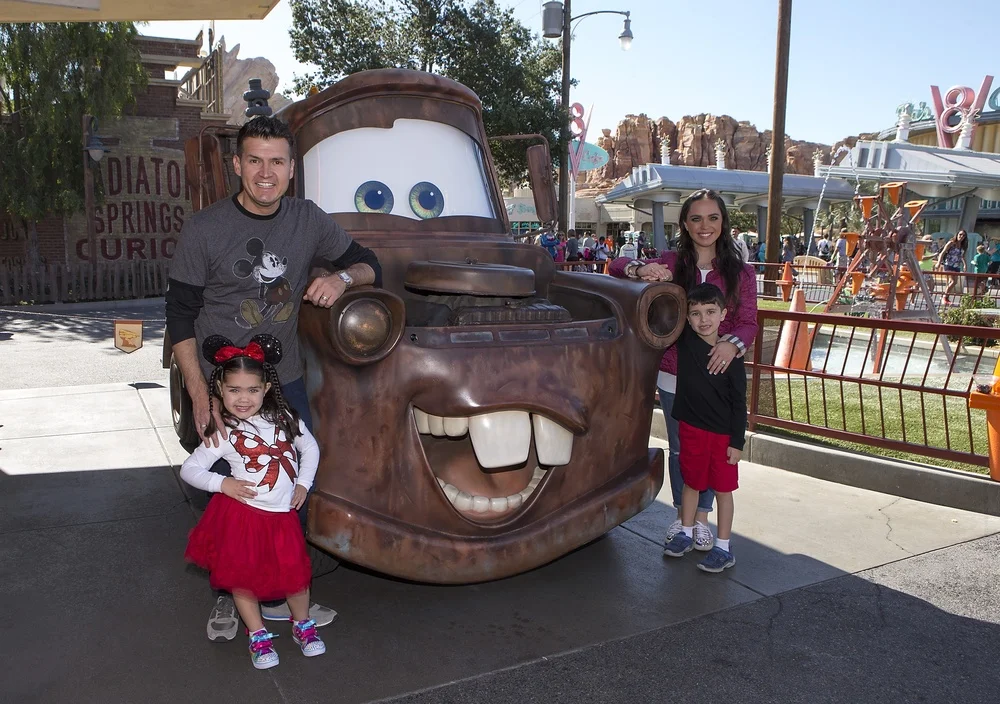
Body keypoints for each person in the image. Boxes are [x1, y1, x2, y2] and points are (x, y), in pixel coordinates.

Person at [165, 115, 381, 641]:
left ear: (291, 170)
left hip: (283, 384)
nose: (266, 172)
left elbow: (370, 263)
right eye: (255, 160)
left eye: (277, 161)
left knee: (288, 490)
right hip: (224, 385)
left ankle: (285, 594)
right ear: (238, 165)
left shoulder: (307, 220)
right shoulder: (205, 229)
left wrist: (340, 276)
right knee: (225, 495)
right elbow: (178, 317)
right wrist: (199, 394)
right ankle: (226, 593)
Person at [609, 188, 757, 550]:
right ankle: (684, 519)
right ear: (685, 224)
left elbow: (748, 322)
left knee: (714, 450)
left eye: (713, 217)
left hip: (718, 380)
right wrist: (640, 268)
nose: (705, 226)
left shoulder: (740, 273)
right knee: (682, 449)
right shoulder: (672, 264)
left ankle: (702, 520)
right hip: (674, 375)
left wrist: (730, 343)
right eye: (696, 218)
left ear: (723, 222)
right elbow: (615, 268)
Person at [181, 334, 326, 669]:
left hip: (282, 517)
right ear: (219, 391)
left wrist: (303, 482)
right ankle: (257, 634)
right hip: (243, 518)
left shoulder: (285, 419)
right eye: (234, 390)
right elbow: (191, 468)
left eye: (251, 390)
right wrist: (223, 483)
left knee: (295, 574)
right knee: (243, 579)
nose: (242, 398)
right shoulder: (226, 431)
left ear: (266, 389)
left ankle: (302, 624)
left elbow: (310, 448)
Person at [661, 284, 745, 572]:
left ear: (723, 314)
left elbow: (739, 403)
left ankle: (723, 547)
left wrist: (737, 442)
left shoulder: (732, 357)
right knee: (692, 484)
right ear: (687, 318)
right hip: (691, 430)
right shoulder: (686, 342)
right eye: (695, 313)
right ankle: (685, 532)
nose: (703, 319)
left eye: (710, 311)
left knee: (723, 490)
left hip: (722, 437)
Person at [936, 230, 968, 305]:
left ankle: (946, 297)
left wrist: (965, 265)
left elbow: (962, 256)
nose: (961, 237)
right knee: (954, 281)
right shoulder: (951, 243)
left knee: (952, 282)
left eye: (963, 235)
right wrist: (938, 263)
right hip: (949, 264)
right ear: (957, 235)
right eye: (960, 234)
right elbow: (942, 253)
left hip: (956, 265)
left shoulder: (963, 246)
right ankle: (944, 296)